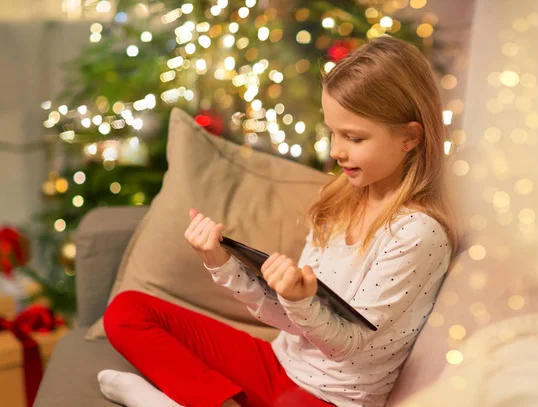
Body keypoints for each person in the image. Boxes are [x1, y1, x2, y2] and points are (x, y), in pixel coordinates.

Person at [96, 35, 461, 407]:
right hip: (278, 364)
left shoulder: (417, 233)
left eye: (353, 137)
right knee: (127, 311)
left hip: (330, 399)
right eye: (332, 132)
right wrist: (221, 264)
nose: (336, 151)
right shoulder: (339, 201)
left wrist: (298, 301)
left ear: (409, 137)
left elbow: (349, 348)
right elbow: (288, 321)